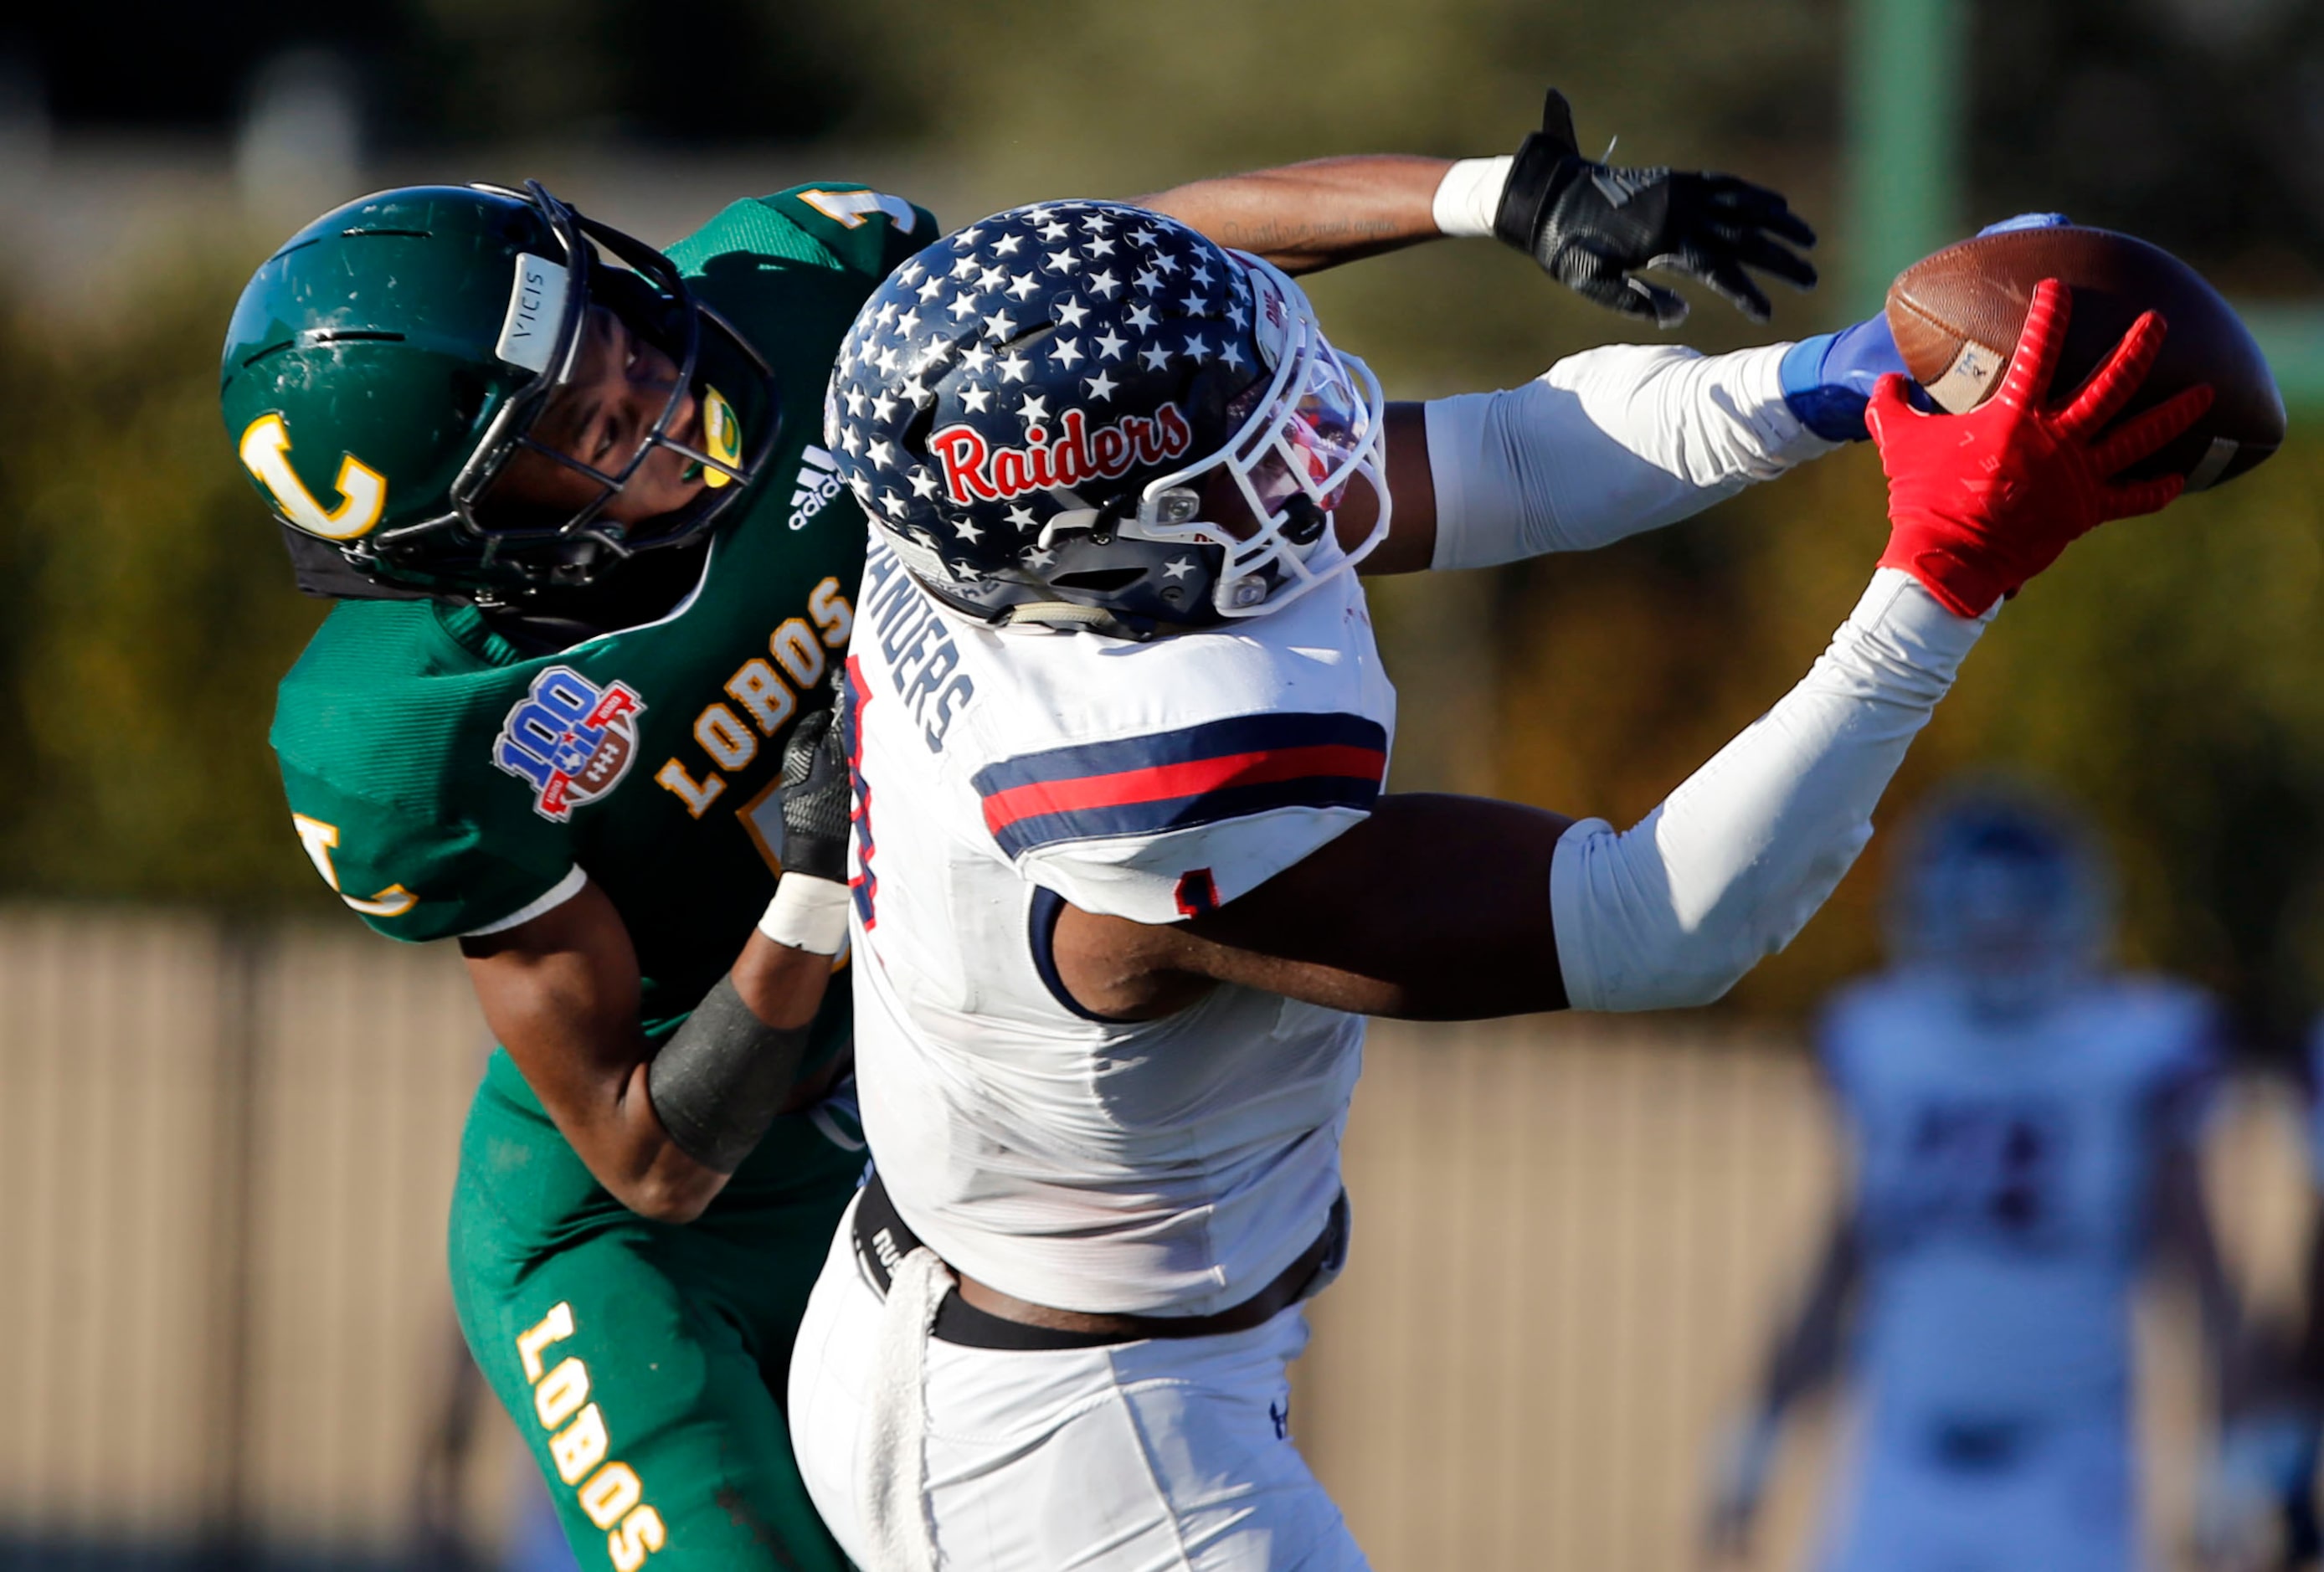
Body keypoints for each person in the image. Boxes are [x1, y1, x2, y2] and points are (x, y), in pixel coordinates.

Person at [220, 90, 1821, 1572]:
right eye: (578, 426)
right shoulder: (405, 735)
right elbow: (647, 1156)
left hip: (910, 1128)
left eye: (613, 330)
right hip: (649, 1232)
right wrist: (804, 898)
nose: (652, 386)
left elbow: (1113, 283)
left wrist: (1495, 193)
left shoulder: (790, 283)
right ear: (475, 545)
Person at [784, 174, 2213, 1566]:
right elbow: (1651, 923)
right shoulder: (1154, 786)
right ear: (1123, 544)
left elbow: (1509, 456)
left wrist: (1845, 379)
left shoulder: (987, 539)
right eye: (1251, 445)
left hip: (977, 1316)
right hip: (1076, 1443)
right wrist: (1940, 579)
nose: (1321, 435)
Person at [1702, 787, 2238, 1572]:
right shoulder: (1889, 1041)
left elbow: (2202, 1275)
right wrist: (1759, 1432)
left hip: (2067, 1467)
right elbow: (1845, 1257)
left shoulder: (2126, 1052)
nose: (1999, 939)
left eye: (2020, 916)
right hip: (1903, 1455)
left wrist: (2233, 1452)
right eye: (1978, 917)